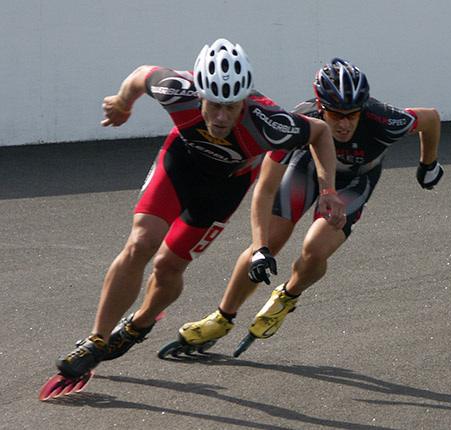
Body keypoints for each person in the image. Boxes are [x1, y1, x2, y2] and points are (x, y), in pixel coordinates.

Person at [54, 39, 345, 378]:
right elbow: (138, 76)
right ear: (198, 94)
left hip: (223, 188)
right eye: (213, 105)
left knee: (167, 267)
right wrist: (122, 104)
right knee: (140, 244)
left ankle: (139, 325)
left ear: (244, 103)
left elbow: (321, 132)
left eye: (232, 107)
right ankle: (96, 339)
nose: (221, 118)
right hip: (180, 166)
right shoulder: (177, 89)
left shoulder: (268, 121)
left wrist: (328, 189)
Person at [162, 57, 443, 357]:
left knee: (315, 249)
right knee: (271, 239)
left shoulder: (385, 120)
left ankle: (287, 295)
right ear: (321, 107)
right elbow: (265, 188)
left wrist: (428, 163)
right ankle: (222, 318)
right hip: (308, 168)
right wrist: (259, 248)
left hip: (354, 182)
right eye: (335, 114)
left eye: (352, 114)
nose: (345, 124)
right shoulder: (297, 121)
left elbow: (431, 119)